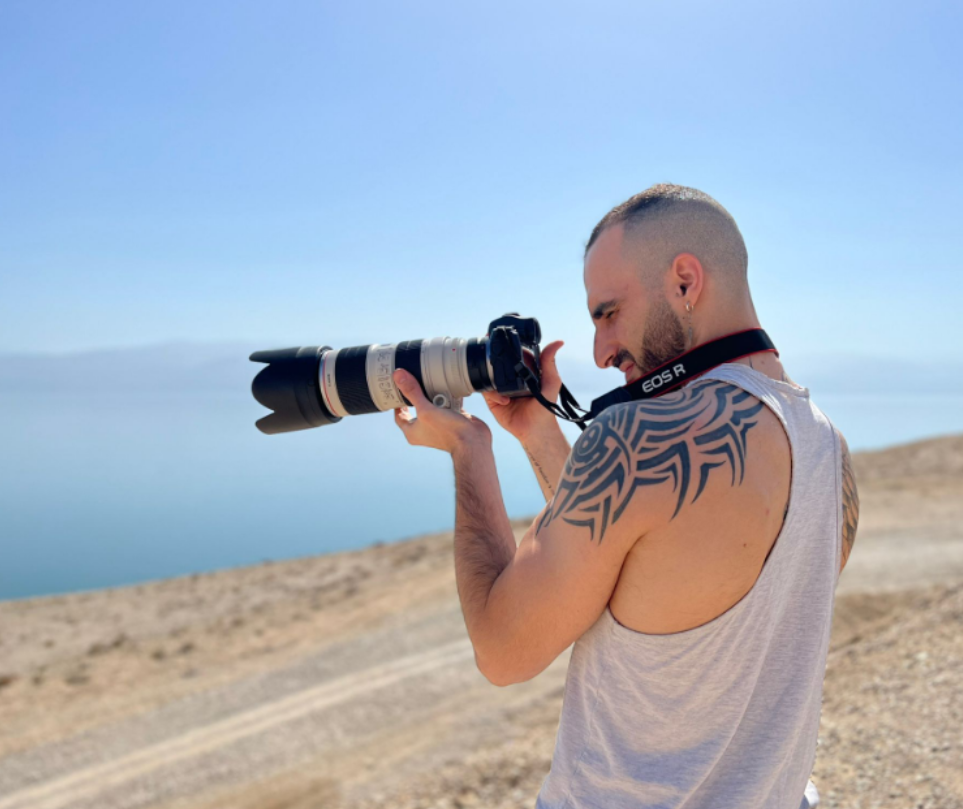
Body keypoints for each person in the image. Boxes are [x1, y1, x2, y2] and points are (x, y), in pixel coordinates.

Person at [391, 183, 860, 809]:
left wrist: (468, 450)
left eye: (608, 313)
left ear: (685, 282)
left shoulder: (634, 436)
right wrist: (539, 434)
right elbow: (642, 560)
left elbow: (503, 652)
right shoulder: (830, 449)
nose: (601, 352)